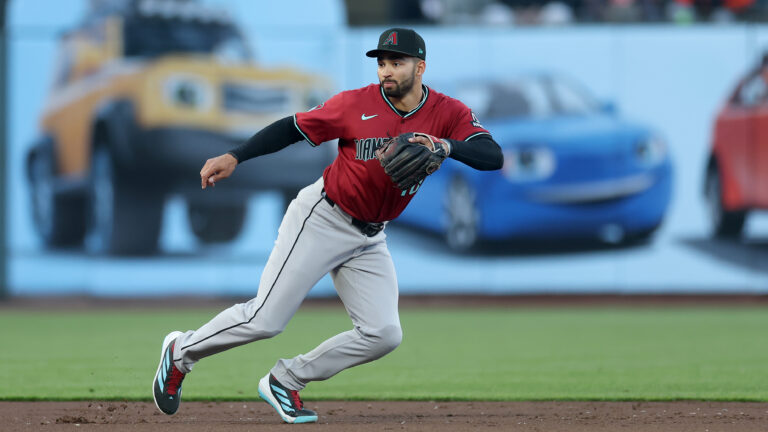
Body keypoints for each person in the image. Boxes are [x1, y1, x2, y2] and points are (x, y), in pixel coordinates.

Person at [152, 27, 503, 424]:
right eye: (382, 63)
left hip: (370, 236)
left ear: (420, 67)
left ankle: (286, 379)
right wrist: (237, 155)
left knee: (383, 333)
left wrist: (446, 145)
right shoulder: (355, 104)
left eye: (396, 62)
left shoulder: (447, 113)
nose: (386, 71)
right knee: (265, 319)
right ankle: (181, 351)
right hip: (323, 217)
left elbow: (492, 155)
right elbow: (292, 127)